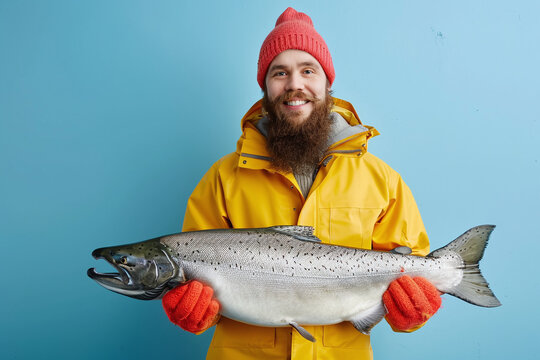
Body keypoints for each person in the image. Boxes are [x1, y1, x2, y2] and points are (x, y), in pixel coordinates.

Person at [161, 7, 442, 360]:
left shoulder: (382, 179)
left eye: (308, 70)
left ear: (327, 83)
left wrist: (413, 311)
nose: (295, 84)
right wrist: (193, 311)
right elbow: (197, 286)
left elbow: (410, 272)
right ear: (265, 87)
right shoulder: (221, 178)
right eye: (280, 73)